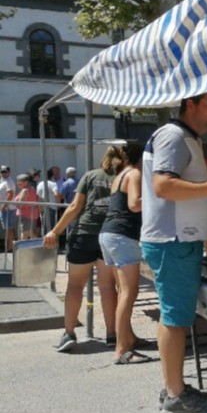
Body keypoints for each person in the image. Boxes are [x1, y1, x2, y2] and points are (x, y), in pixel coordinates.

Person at [140, 90, 207, 413]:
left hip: (177, 239)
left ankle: (173, 386)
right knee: (175, 318)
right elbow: (164, 186)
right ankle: (176, 395)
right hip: (173, 240)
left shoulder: (184, 137)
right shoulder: (174, 136)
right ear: (189, 104)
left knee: (174, 316)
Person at [43, 147, 125, 353]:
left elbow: (75, 207)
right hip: (108, 234)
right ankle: (111, 334)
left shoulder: (90, 176)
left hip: (84, 234)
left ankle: (69, 333)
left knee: (75, 285)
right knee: (107, 287)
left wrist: (55, 231)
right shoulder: (124, 177)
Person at [98, 142, 151, 364]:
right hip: (123, 236)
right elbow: (135, 205)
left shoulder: (120, 175)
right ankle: (122, 350)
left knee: (123, 292)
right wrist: (158, 196)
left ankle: (129, 338)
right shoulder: (135, 173)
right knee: (129, 292)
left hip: (109, 235)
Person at [13, 174, 39, 240]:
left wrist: (14, 203)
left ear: (26, 182)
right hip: (31, 214)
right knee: (29, 233)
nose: (18, 183)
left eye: (19, 181)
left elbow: (21, 204)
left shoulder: (25, 190)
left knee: (24, 233)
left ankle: (22, 247)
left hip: (26, 215)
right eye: (17, 181)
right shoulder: (31, 189)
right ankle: (42, 244)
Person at [36, 167, 62, 233]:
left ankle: (44, 238)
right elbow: (56, 194)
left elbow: (38, 197)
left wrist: (40, 208)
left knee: (44, 226)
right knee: (52, 227)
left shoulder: (39, 184)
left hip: (43, 207)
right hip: (52, 207)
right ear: (52, 176)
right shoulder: (53, 184)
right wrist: (59, 204)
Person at [1, 165, 16, 250]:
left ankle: (11, 247)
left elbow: (10, 194)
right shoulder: (4, 181)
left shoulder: (8, 181)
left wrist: (4, 206)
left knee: (9, 228)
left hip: (7, 209)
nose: (3, 173)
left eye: (5, 172)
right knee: (9, 228)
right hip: (7, 208)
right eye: (2, 172)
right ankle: (11, 246)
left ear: (9, 172)